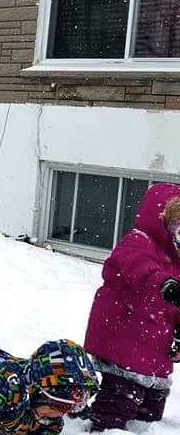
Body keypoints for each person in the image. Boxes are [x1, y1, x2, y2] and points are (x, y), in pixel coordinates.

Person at [84, 182, 180, 431]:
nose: (177, 233)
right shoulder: (137, 242)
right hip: (125, 342)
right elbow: (140, 267)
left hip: (156, 353)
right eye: (174, 224)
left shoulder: (178, 261)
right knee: (116, 408)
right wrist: (165, 284)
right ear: (159, 220)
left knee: (150, 416)